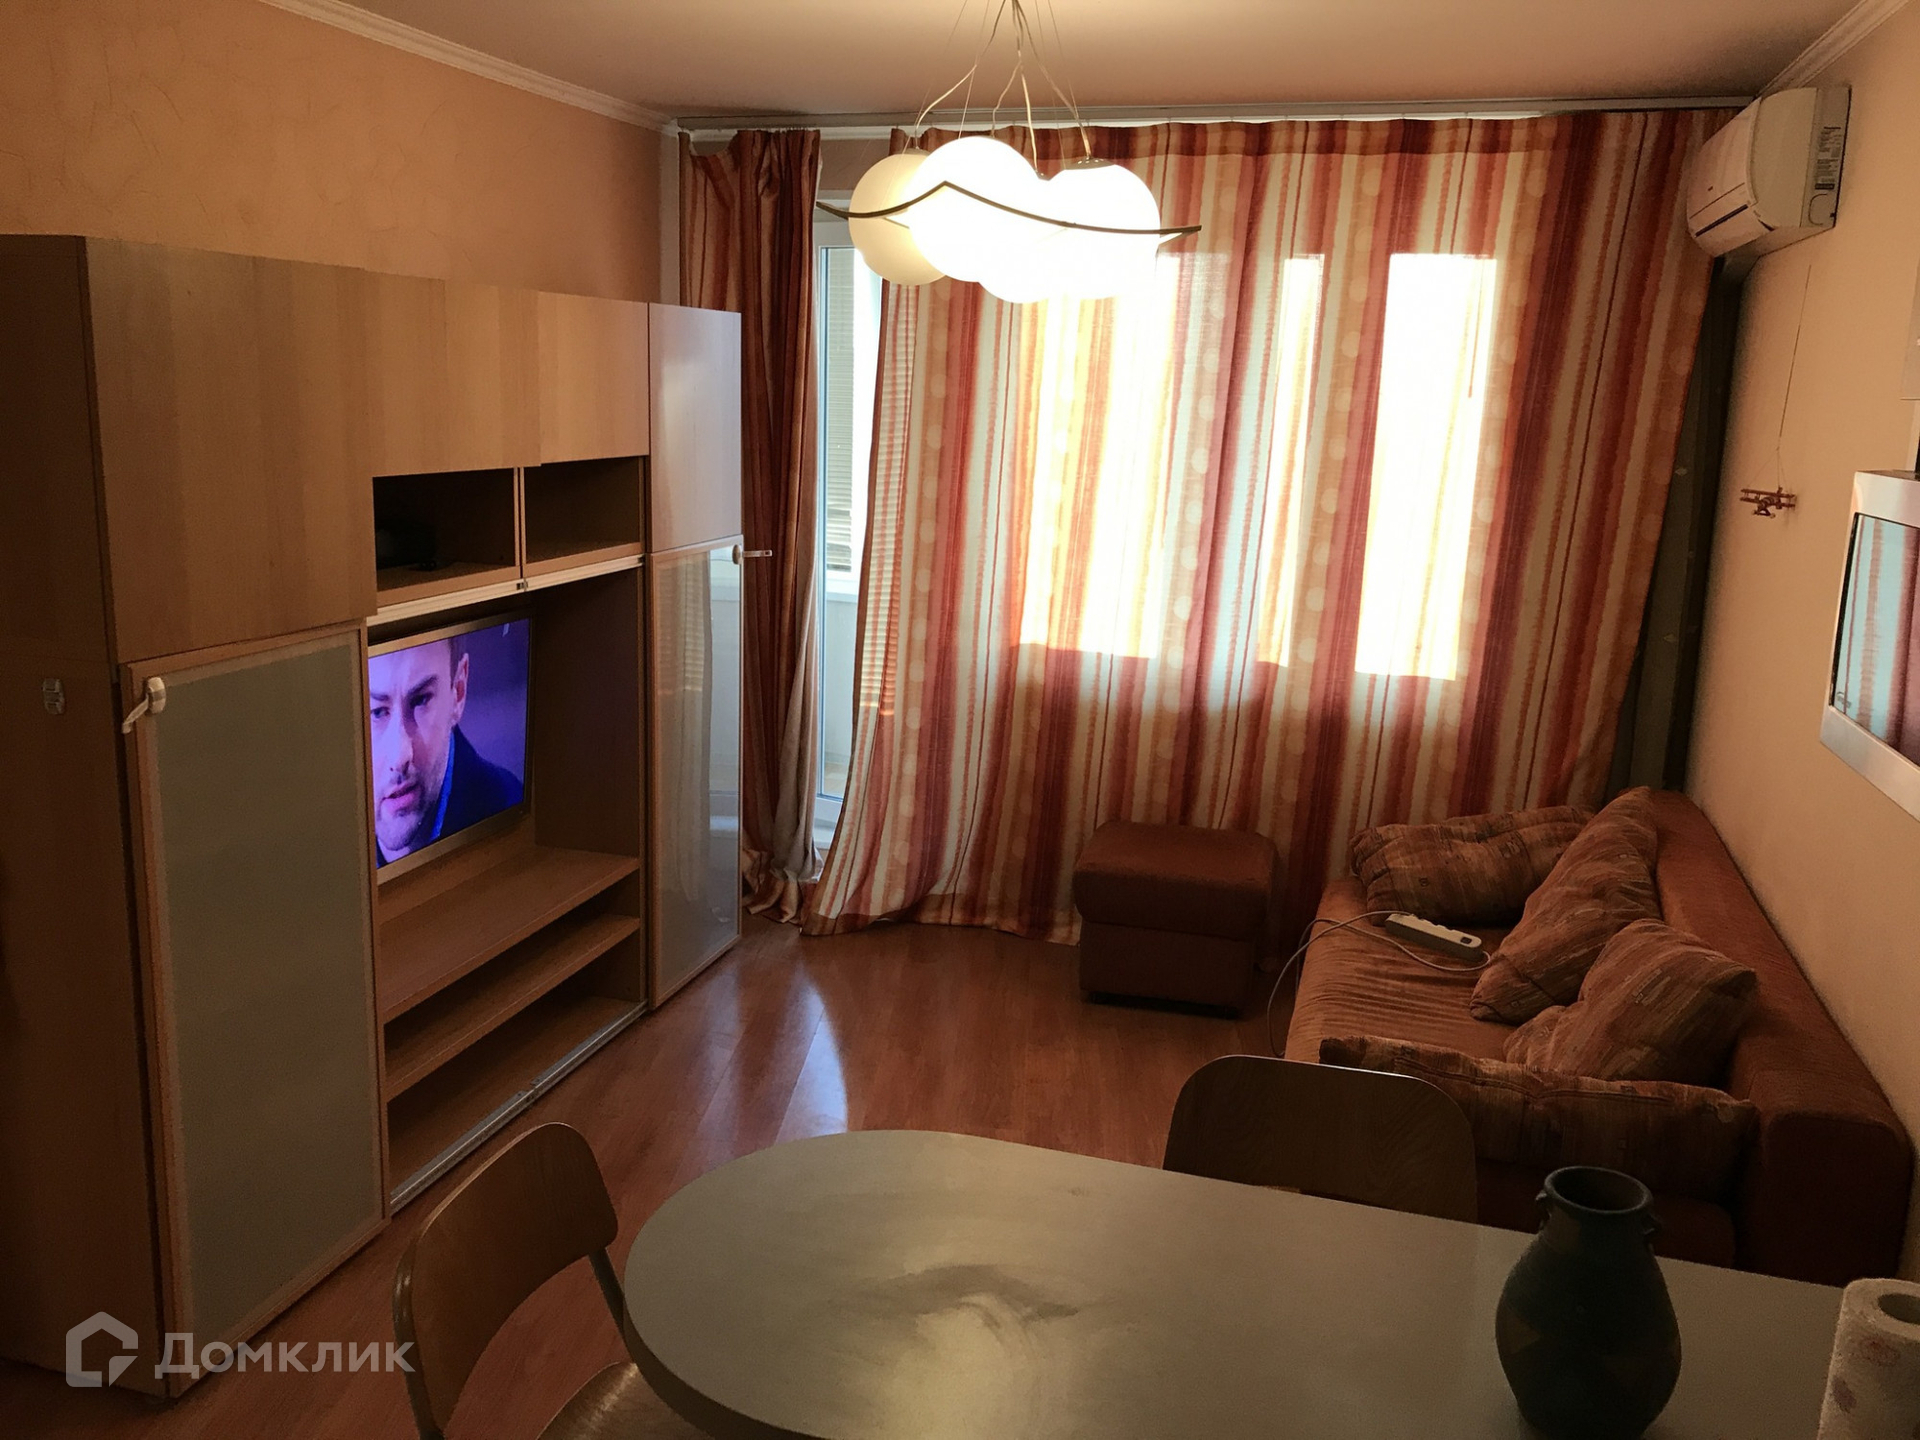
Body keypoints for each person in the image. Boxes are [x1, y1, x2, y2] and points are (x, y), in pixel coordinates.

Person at [369, 632, 523, 865]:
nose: (400, 756)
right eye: (378, 712)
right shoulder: (325, 837)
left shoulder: (508, 811)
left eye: (421, 700)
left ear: (458, 692)